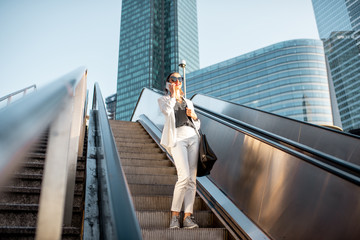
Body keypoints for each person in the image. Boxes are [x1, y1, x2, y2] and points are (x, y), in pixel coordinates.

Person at [158, 72, 200, 229]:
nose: (176, 81)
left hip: (193, 137)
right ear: (168, 83)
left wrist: (195, 117)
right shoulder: (163, 100)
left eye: (179, 79)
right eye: (173, 79)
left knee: (192, 180)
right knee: (184, 176)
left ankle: (188, 216)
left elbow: (197, 124)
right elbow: (167, 112)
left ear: (182, 82)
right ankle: (175, 216)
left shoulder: (189, 102)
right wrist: (173, 95)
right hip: (177, 139)